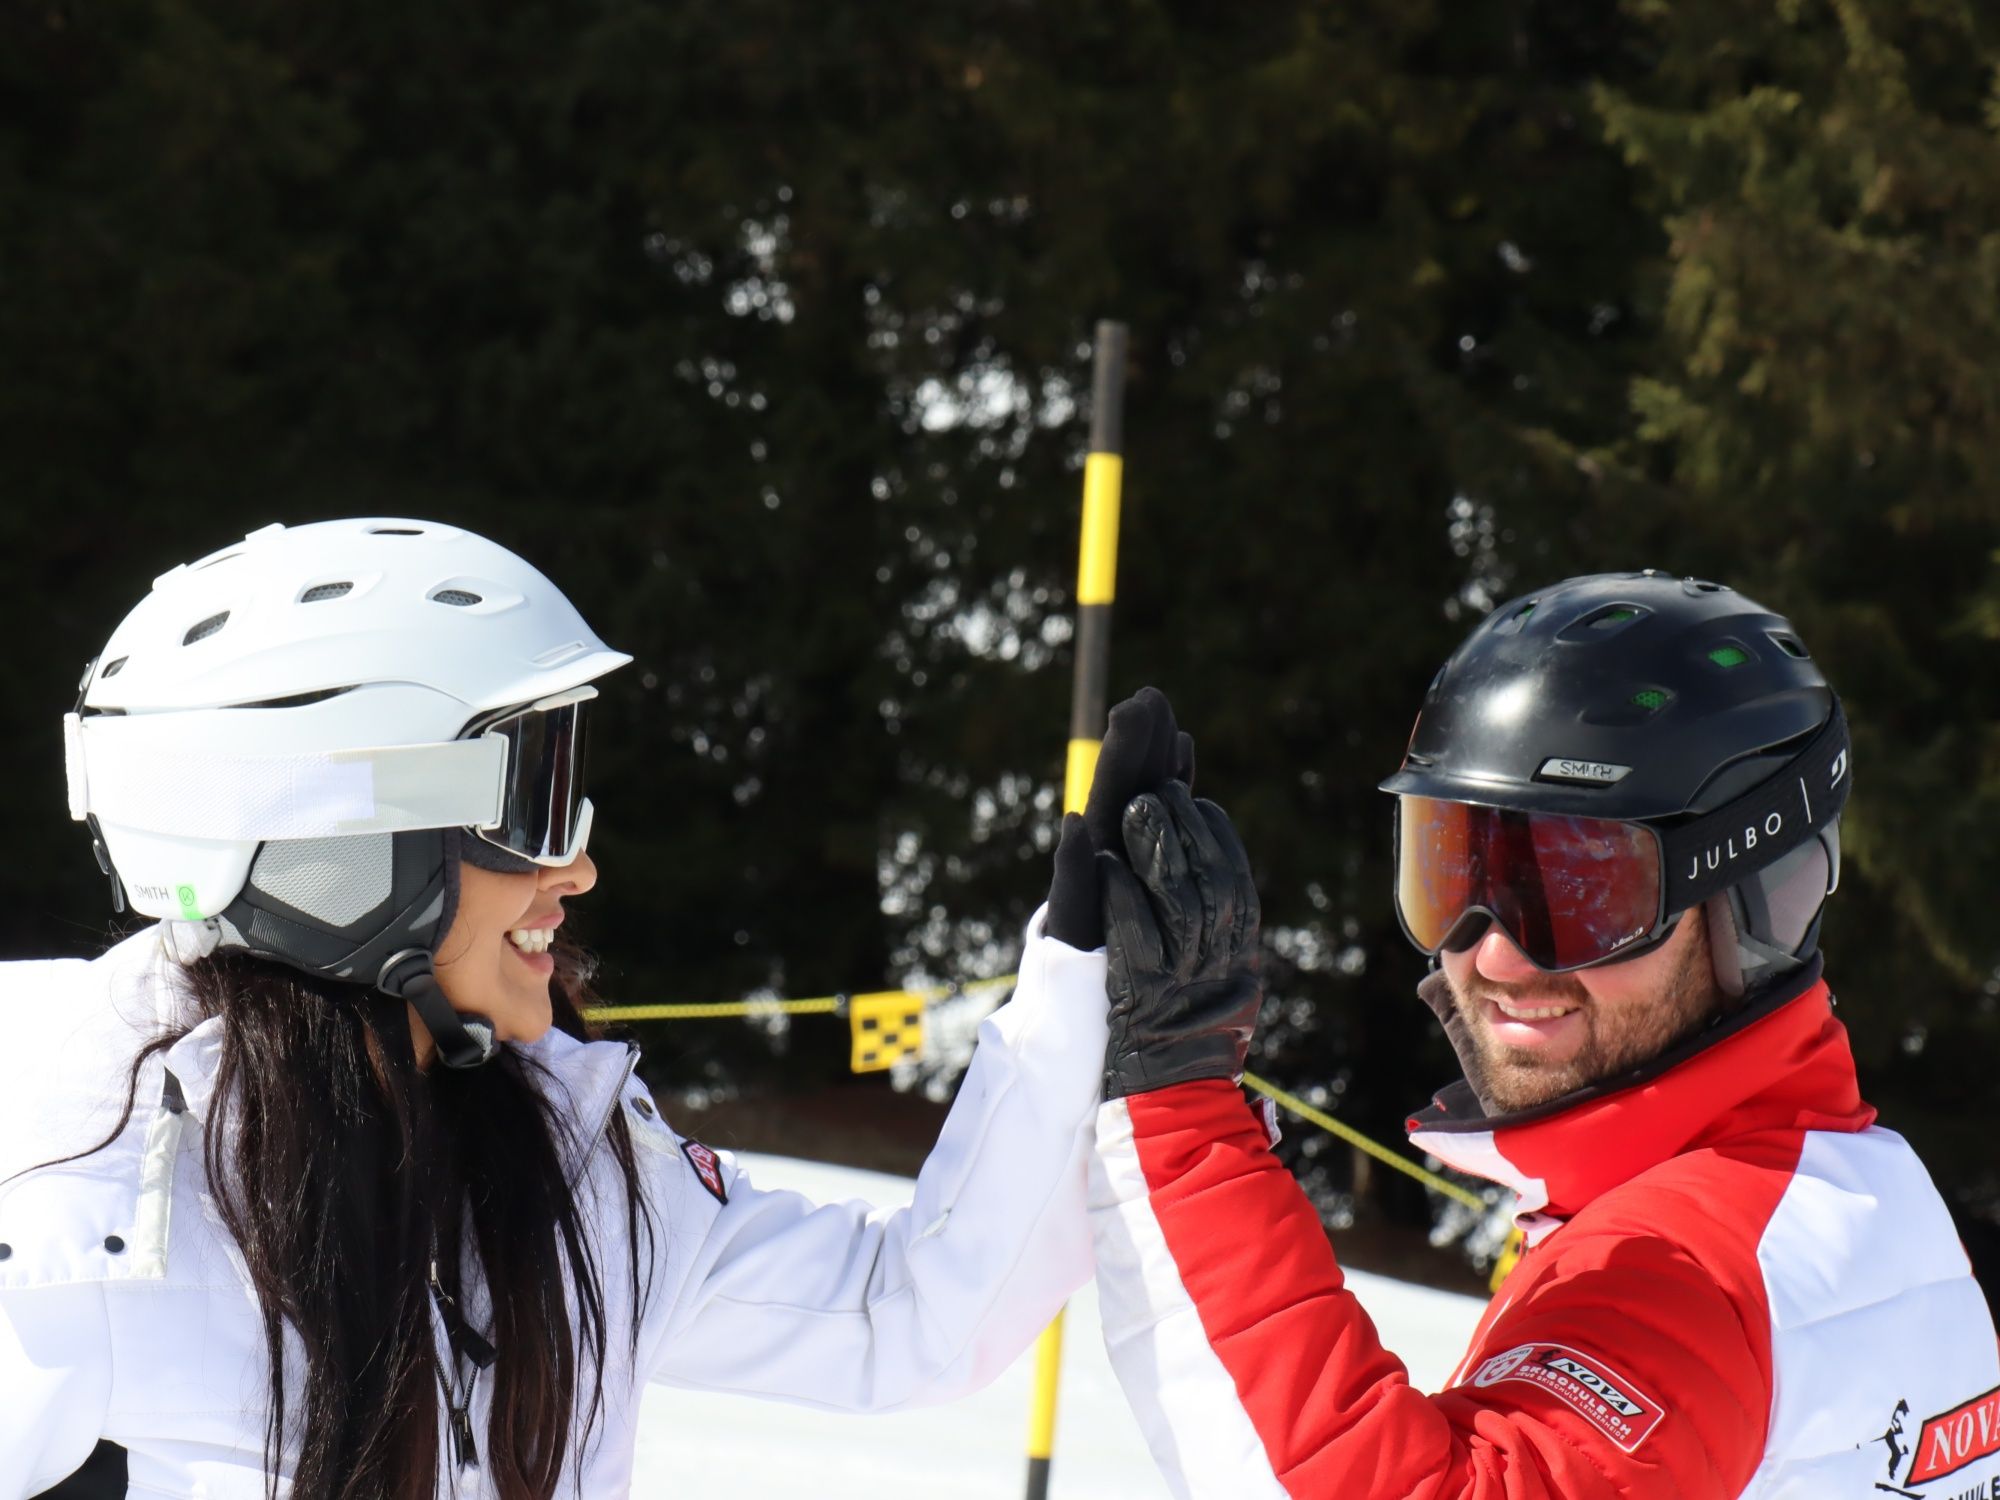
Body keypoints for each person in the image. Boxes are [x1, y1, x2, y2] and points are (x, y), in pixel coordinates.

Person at [0, 517, 1185, 1499]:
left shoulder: (559, 1156)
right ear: (341, 847)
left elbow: (904, 1314)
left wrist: (1082, 989)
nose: (574, 870)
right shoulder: (65, 1190)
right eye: (530, 801)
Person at [1081, 573, 2000, 1498]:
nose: (1493, 956)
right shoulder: (1861, 1195)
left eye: (1581, 892)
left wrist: (1179, 1116)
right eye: (1451, 876)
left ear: (1754, 906)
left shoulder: (1687, 1269)